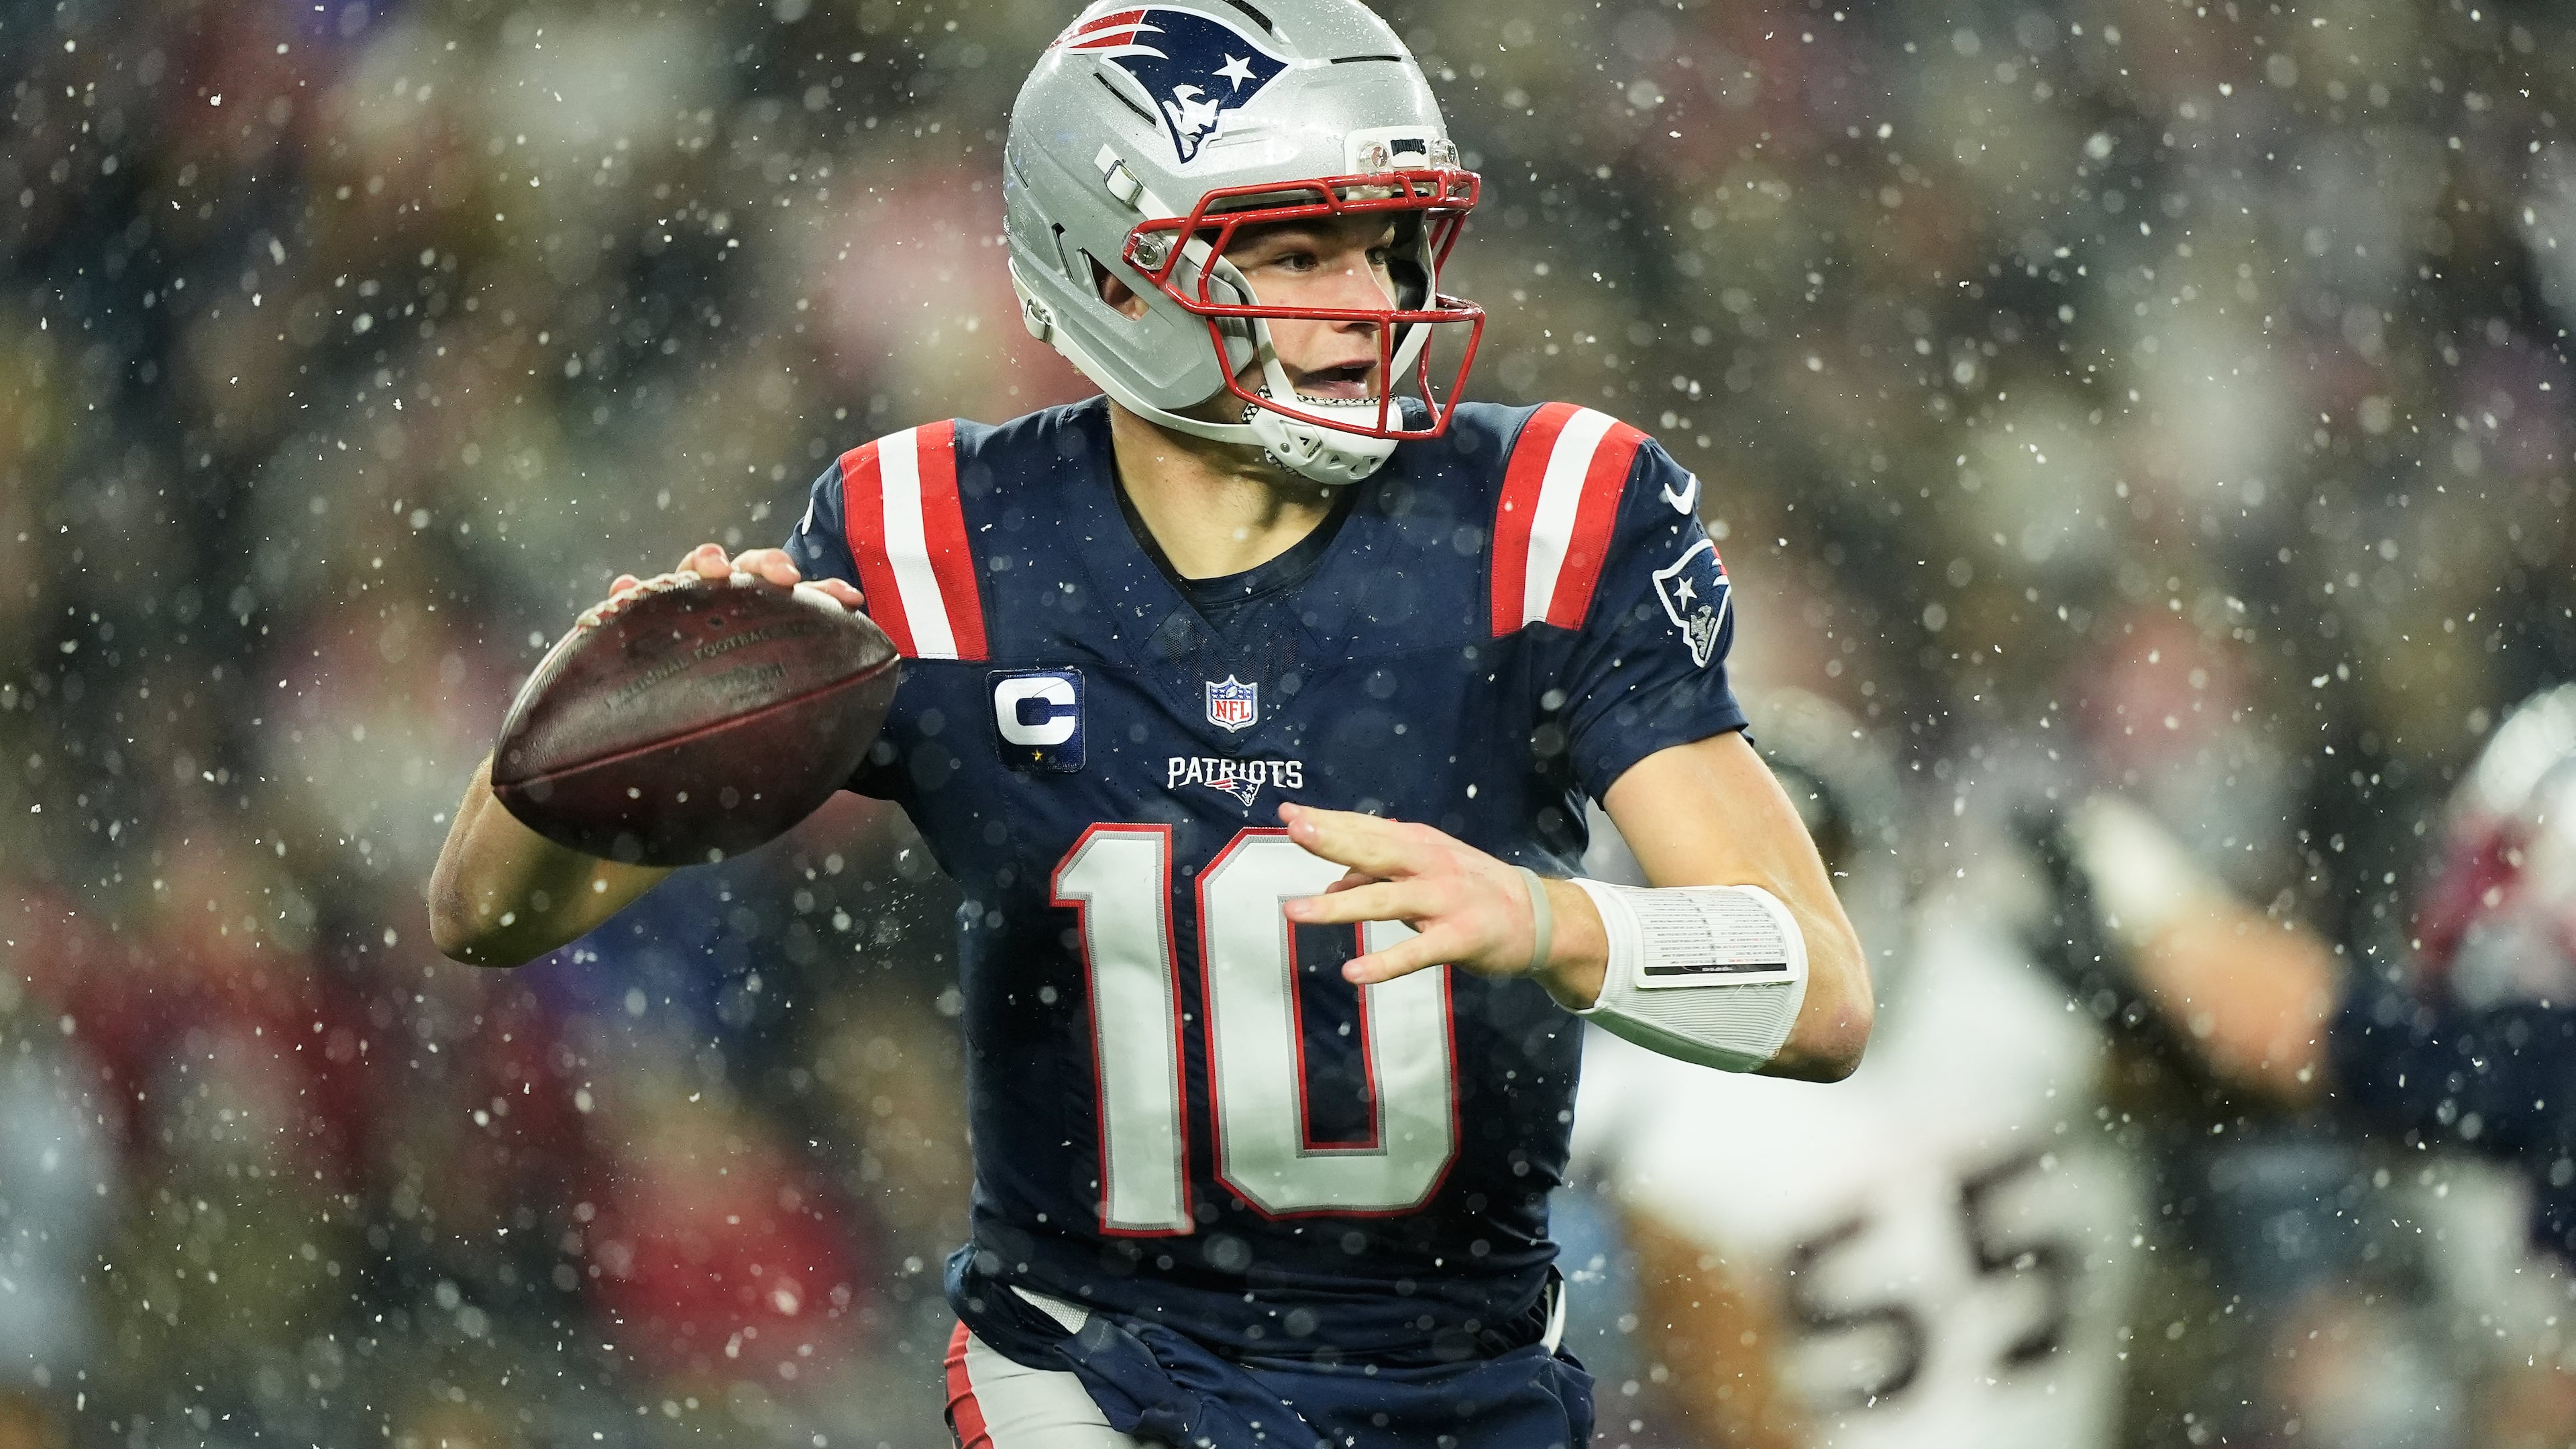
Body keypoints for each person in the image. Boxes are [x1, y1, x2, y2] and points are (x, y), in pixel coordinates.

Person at [427, 3, 1874, 1446]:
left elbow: (1817, 994)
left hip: (1468, 1382)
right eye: (1299, 254)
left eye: (1386, 245)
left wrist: (1552, 925)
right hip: (1092, 1377)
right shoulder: (934, 542)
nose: (1368, 300)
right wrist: (598, 713)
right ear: (1115, 271)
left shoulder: (1548, 515)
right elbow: (487, 916)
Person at [1568, 694, 2147, 1449]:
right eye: (1743, 902)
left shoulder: (2018, 976)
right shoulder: (2020, 977)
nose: (1780, 928)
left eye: (1802, 876)